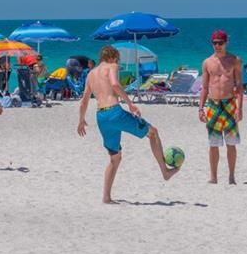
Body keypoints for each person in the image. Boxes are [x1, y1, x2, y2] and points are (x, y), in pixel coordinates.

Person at [77, 46, 179, 204]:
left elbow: (84, 100)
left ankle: (106, 197)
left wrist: (81, 120)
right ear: (112, 57)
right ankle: (165, 171)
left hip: (101, 116)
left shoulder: (91, 74)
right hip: (114, 112)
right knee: (153, 132)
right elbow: (115, 85)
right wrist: (130, 104)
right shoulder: (112, 66)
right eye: (117, 58)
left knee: (115, 158)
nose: (118, 62)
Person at [198, 31, 243, 185]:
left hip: (229, 104)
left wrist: (240, 108)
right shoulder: (207, 62)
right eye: (214, 43)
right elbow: (204, 87)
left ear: (226, 43)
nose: (217, 46)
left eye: (220, 43)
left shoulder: (235, 60)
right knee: (213, 143)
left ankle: (231, 176)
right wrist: (200, 108)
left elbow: (239, 87)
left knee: (231, 142)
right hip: (213, 104)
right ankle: (213, 177)